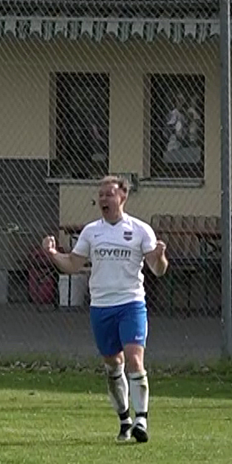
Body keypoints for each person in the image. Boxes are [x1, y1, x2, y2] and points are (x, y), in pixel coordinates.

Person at [41, 175, 168, 443]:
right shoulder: (91, 232)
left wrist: (159, 256)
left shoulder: (140, 230)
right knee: (113, 364)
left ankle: (142, 420)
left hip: (131, 303)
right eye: (100, 195)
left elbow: (158, 269)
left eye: (109, 194)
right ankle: (124, 420)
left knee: (134, 359)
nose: (103, 199)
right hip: (101, 306)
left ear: (123, 197)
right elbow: (73, 264)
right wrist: (53, 254)